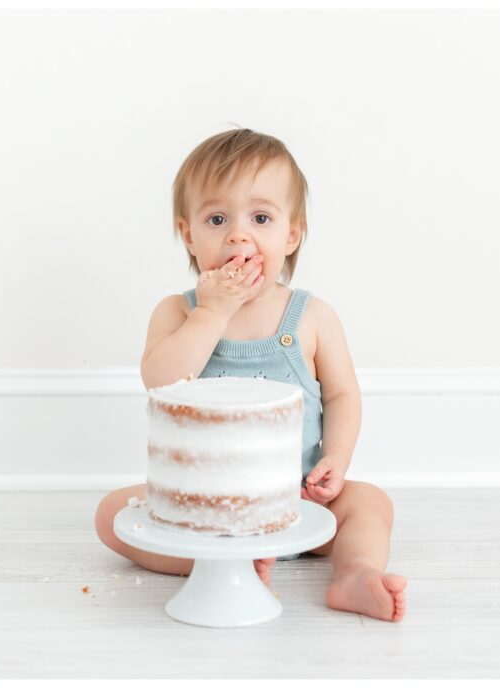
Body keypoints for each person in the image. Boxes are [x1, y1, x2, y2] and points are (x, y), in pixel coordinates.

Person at [95, 127, 406, 622]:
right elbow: (161, 381)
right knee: (113, 515)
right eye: (217, 219)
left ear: (292, 233)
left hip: (299, 499)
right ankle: (219, 565)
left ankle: (355, 574)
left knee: (370, 503)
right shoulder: (178, 313)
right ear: (189, 235)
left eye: (260, 217)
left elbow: (343, 395)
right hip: (204, 511)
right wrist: (212, 313)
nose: (239, 235)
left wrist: (337, 461)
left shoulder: (311, 316)